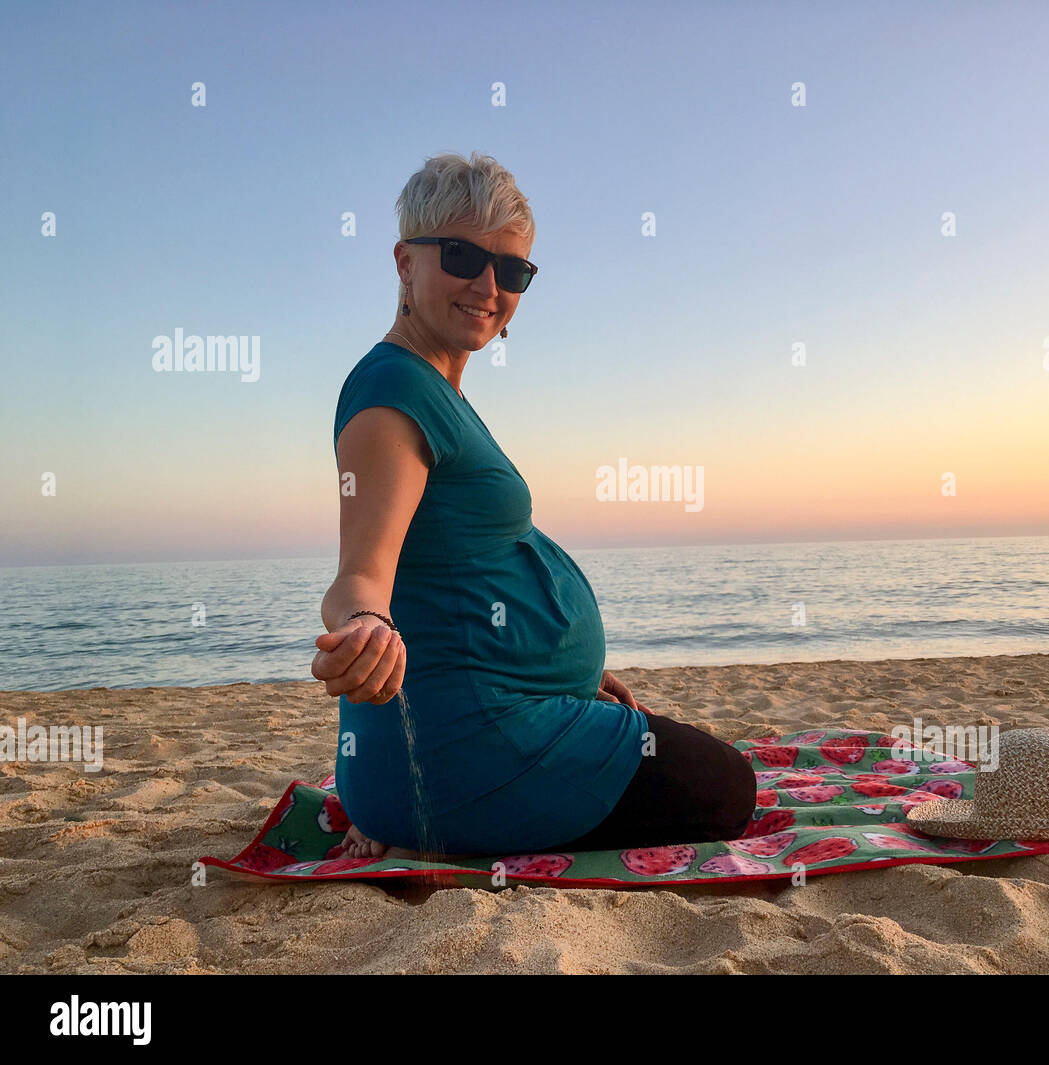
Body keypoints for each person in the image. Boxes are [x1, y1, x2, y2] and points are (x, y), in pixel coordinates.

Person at [310, 152, 755, 860]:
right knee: (726, 785)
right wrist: (364, 626)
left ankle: (419, 804)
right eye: (462, 256)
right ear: (404, 262)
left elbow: (461, 566)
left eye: (511, 270)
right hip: (461, 760)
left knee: (694, 759)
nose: (488, 285)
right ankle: (422, 819)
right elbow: (360, 575)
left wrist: (569, 677)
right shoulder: (392, 395)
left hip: (485, 730)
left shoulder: (433, 386)